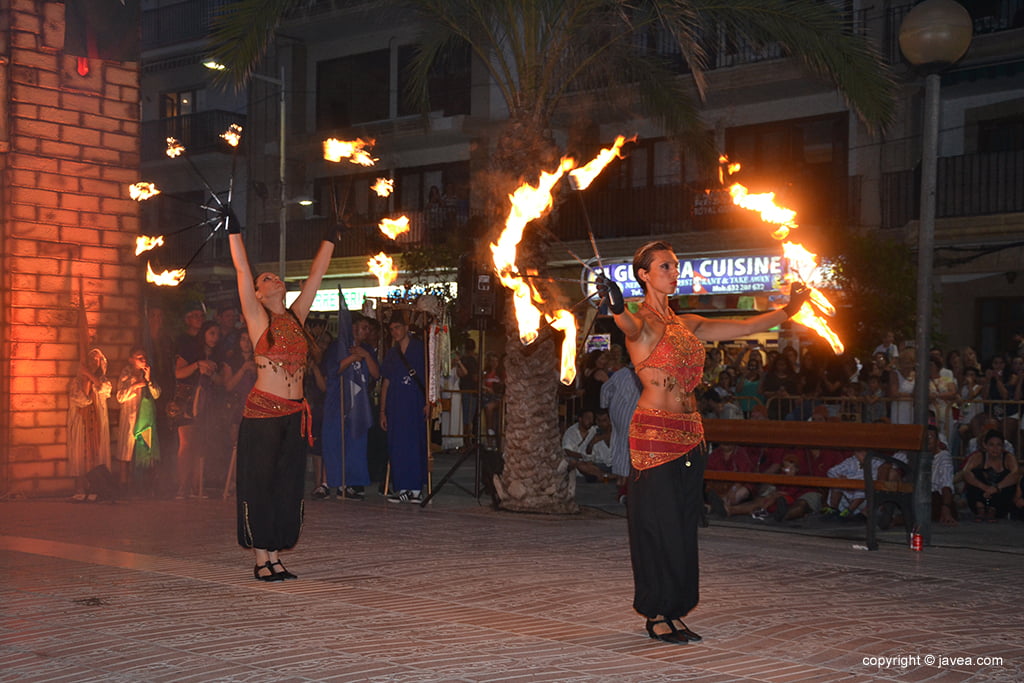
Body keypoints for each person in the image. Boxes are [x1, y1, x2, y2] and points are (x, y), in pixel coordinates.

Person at [597, 240, 809, 644]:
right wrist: (617, 306)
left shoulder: (688, 322)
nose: (674, 272)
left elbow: (746, 327)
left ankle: (675, 609)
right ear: (644, 274)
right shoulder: (641, 322)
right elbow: (626, 325)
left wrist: (789, 310)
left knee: (682, 524)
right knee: (657, 524)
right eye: (665, 266)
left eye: (676, 266)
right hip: (654, 434)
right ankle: (656, 612)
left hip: (690, 434)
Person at [228, 218, 335, 581]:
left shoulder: (296, 316)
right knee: (261, 484)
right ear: (258, 294)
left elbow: (317, 276)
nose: (274, 279)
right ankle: (261, 558)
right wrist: (234, 231)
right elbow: (242, 269)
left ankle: (275, 556)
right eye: (267, 279)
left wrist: (330, 238)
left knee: (288, 485)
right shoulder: (258, 318)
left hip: (293, 415)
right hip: (262, 416)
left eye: (275, 276)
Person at [318, 313, 380, 500]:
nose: (366, 332)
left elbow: (376, 374)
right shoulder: (338, 347)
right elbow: (332, 370)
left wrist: (365, 356)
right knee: (334, 441)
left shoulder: (367, 349)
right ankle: (330, 482)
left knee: (356, 444)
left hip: (358, 403)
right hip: (338, 401)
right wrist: (351, 359)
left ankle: (352, 483)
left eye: (368, 329)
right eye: (364, 328)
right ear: (353, 328)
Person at [380, 311, 429, 503]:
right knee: (397, 445)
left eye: (397, 327)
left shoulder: (420, 349)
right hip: (396, 405)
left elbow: (428, 376)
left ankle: (415, 488)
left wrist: (428, 402)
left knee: (415, 443)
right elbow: (386, 383)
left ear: (407, 328)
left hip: (415, 403)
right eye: (391, 329)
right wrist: (383, 411)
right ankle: (401, 487)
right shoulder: (392, 354)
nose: (394, 332)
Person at [173, 320, 224, 499]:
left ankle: (196, 486)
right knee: (186, 443)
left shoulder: (217, 355)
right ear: (204, 333)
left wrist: (212, 373)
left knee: (200, 444)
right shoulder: (190, 350)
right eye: (211, 333)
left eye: (217, 334)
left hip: (206, 403)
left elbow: (222, 382)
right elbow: (178, 373)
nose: (215, 338)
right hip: (187, 401)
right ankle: (182, 486)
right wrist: (197, 365)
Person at [67, 347, 113, 498]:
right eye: (91, 358)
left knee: (97, 452)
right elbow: (81, 400)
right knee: (81, 452)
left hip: (98, 422)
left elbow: (103, 389)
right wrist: (85, 377)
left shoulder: (104, 381)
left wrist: (89, 375)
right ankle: (80, 488)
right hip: (82, 421)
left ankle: (95, 487)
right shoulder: (77, 382)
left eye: (97, 359)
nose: (94, 361)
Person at [114, 347, 161, 491]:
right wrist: (134, 385)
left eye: (144, 357)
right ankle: (124, 484)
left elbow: (157, 394)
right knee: (126, 450)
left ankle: (147, 486)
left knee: (146, 450)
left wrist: (148, 380)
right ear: (131, 360)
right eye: (139, 357)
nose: (143, 360)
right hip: (130, 416)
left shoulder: (147, 374)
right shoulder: (126, 374)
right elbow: (120, 397)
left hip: (145, 418)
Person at [600, 345, 641, 502]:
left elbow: (606, 389)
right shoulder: (643, 375)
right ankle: (624, 479)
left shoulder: (622, 373)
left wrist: (605, 406)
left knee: (620, 442)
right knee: (627, 444)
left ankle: (622, 478)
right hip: (631, 414)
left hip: (618, 412)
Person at [961, 429, 1019, 521]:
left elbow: (1015, 475)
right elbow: (965, 473)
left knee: (1008, 477)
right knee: (975, 473)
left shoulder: (1008, 457)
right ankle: (980, 509)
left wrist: (996, 488)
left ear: (1003, 446)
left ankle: (993, 510)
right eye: (991, 445)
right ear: (985, 445)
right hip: (980, 497)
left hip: (1000, 502)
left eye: (998, 445)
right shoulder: (978, 456)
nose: (995, 449)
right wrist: (984, 487)